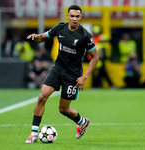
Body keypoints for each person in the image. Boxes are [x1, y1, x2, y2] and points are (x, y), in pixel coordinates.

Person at [25, 5, 99, 143]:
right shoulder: (60, 28)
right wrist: (36, 38)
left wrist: (84, 77)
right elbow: (43, 37)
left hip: (73, 76)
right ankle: (33, 134)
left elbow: (95, 58)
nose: (74, 19)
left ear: (80, 17)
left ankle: (82, 122)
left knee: (63, 109)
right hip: (57, 69)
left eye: (77, 16)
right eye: (72, 16)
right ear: (68, 16)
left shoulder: (85, 36)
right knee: (42, 96)